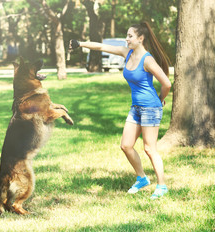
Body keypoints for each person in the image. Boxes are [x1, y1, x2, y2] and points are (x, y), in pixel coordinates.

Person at [70, 21, 171, 200]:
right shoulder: (127, 53)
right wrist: (81, 44)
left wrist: (160, 99)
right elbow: (102, 46)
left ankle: (162, 186)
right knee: (126, 145)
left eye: (130, 36)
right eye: (127, 35)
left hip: (150, 108)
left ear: (141, 38)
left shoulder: (147, 60)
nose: (126, 39)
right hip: (136, 107)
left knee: (149, 148)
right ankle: (142, 178)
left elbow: (166, 83)